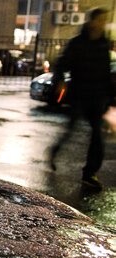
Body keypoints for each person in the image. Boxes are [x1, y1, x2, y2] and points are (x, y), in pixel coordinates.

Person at [49, 8, 114, 190]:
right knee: (70, 130)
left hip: (97, 96)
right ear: (91, 21)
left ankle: (90, 173)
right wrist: (60, 81)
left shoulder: (103, 43)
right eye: (99, 20)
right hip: (79, 94)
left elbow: (106, 71)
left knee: (97, 136)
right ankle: (54, 151)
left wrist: (110, 96)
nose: (102, 24)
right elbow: (62, 64)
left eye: (104, 20)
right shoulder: (77, 43)